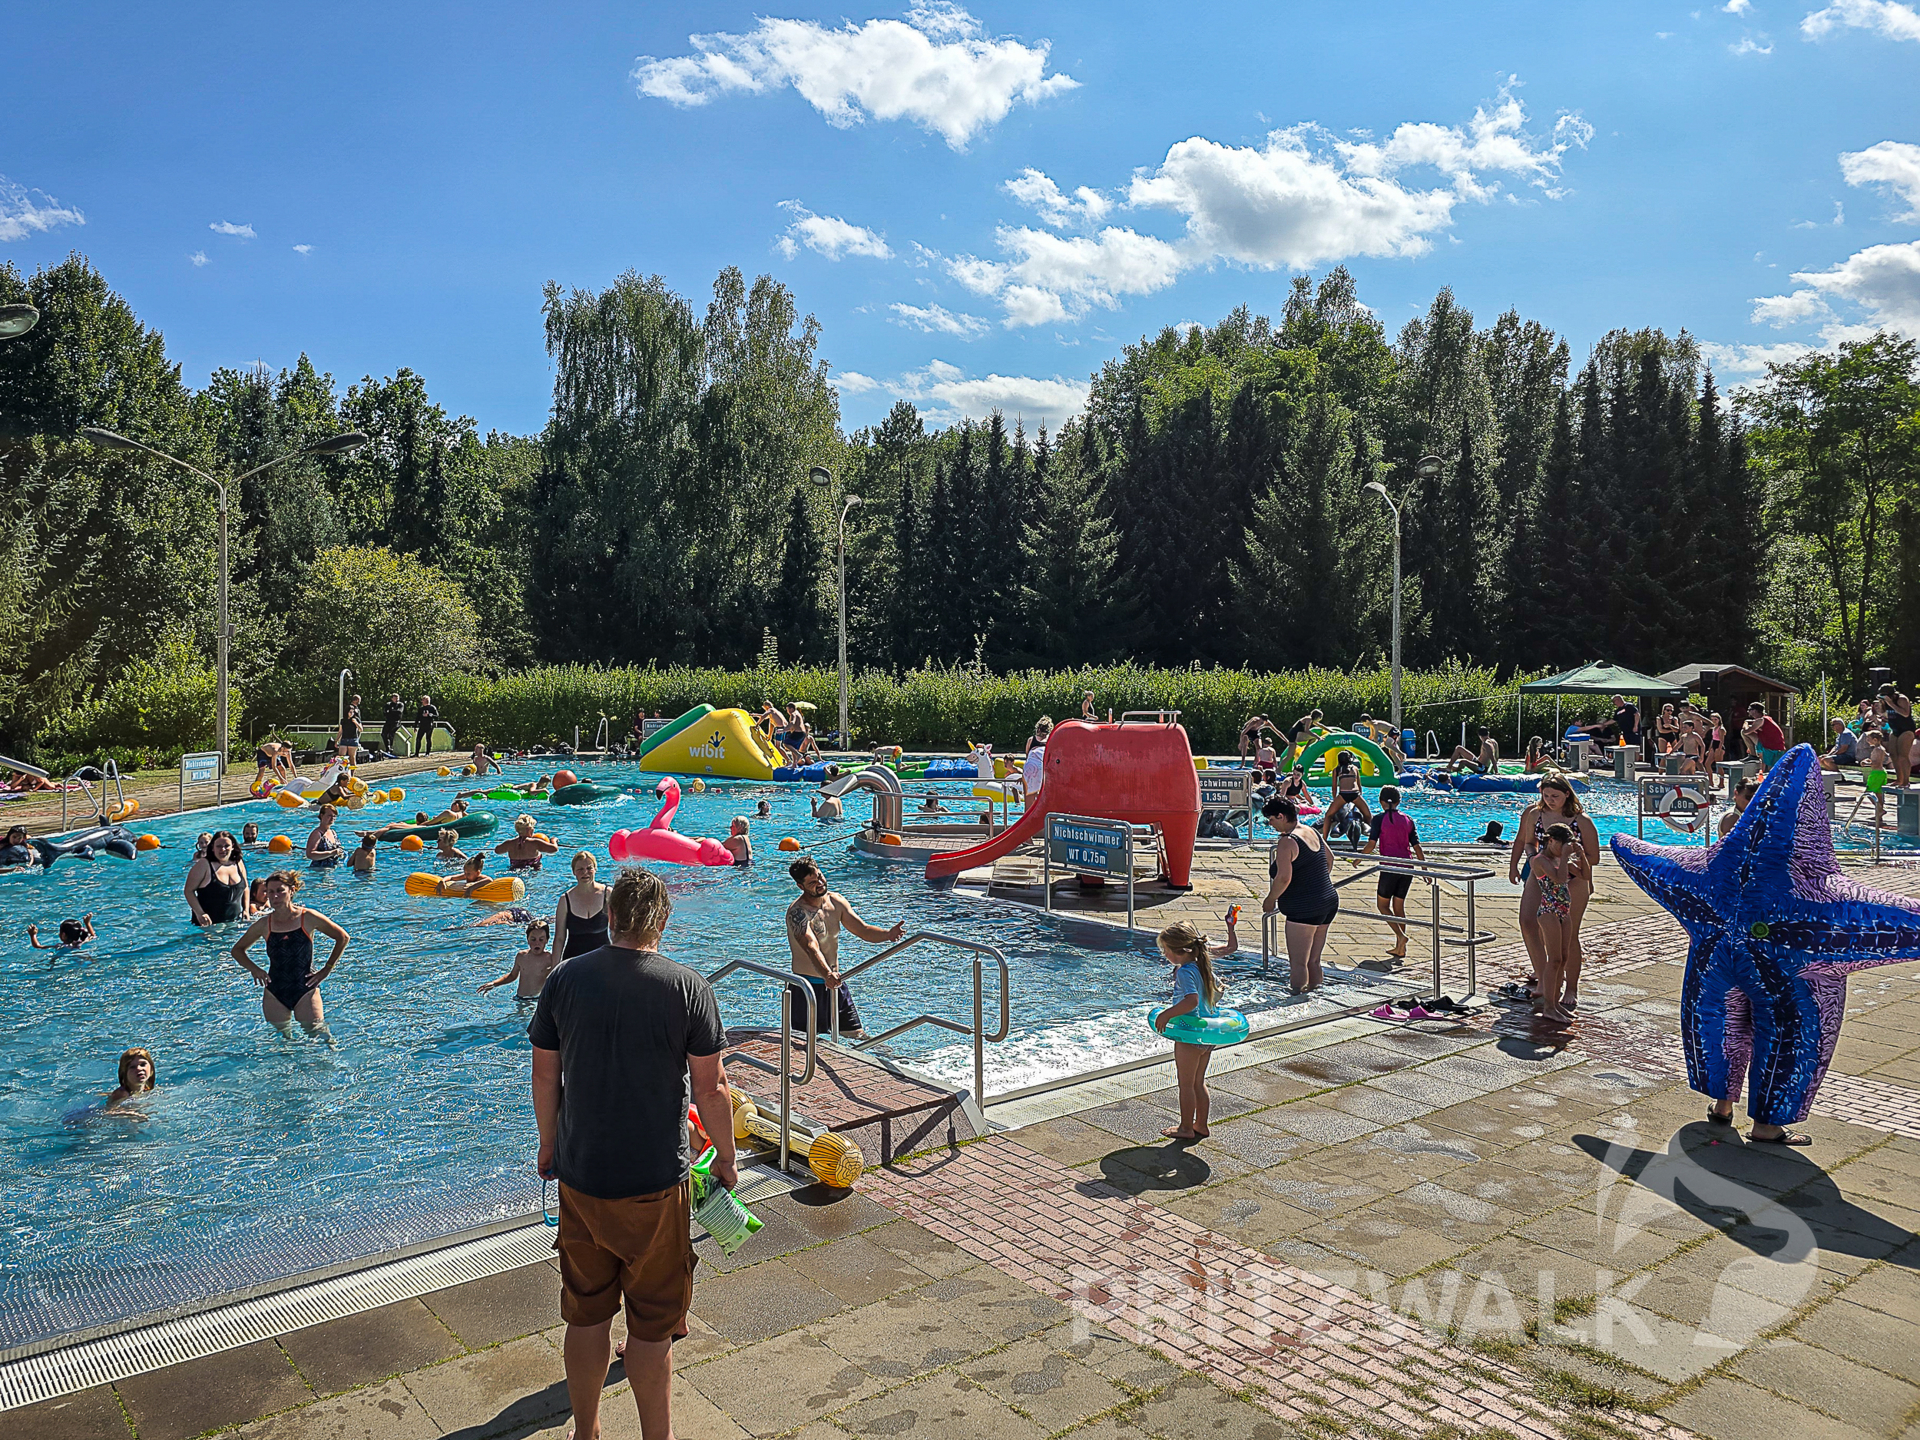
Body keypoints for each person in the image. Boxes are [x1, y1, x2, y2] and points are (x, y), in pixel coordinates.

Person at [529, 867, 736, 1440]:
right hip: (653, 1182)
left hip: (581, 1174)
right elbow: (712, 1090)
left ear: (612, 916)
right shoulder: (686, 987)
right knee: (651, 1324)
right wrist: (725, 1155)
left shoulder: (565, 981)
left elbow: (545, 1075)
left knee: (587, 1312)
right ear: (663, 921)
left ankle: (587, 1433)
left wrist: (550, 1144)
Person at [1508, 773, 1601, 1009]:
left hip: (1573, 878)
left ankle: (1571, 986)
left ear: (1567, 794)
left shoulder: (1582, 821)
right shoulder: (1535, 814)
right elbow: (1528, 841)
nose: (1550, 800)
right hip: (1542, 873)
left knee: (1569, 934)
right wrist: (1528, 860)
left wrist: (1571, 860)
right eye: (1546, 795)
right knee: (1528, 923)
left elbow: (1595, 857)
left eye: (1555, 796)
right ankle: (1544, 978)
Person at [785, 856, 904, 1039]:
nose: (820, 883)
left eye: (820, 877)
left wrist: (887, 934)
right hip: (807, 988)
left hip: (835, 983)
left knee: (858, 1035)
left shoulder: (836, 902)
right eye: (812, 882)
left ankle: (894, 1062)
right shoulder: (798, 913)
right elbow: (811, 947)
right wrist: (826, 975)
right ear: (801, 886)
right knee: (803, 1044)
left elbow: (863, 929)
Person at [1150, 915, 1240, 1141]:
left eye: (1166, 951)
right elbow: (1231, 948)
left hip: (1190, 1036)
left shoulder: (1184, 971)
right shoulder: (1202, 964)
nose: (1165, 955)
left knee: (1186, 1085)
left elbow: (1191, 1001)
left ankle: (1186, 1128)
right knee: (1199, 1082)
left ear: (1179, 951)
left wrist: (1166, 1014)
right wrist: (1230, 927)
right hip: (1206, 1036)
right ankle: (1201, 1125)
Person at [231, 871, 348, 1033]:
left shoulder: (307, 917)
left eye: (280, 890)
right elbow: (237, 950)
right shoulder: (265, 924)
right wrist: (255, 969)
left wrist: (327, 969)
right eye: (270, 892)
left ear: (292, 891)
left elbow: (342, 937)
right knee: (281, 1042)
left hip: (306, 987)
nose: (275, 896)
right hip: (275, 991)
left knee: (319, 1035)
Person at [1262, 796, 1337, 994]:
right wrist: (1314, 882)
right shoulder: (1310, 830)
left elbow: (1283, 878)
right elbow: (1330, 859)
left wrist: (1270, 899)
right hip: (1327, 901)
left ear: (1281, 816)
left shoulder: (1287, 842)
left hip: (1304, 909)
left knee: (1298, 963)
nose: (1270, 824)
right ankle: (1315, 994)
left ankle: (1296, 1000)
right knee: (1314, 960)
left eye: (1271, 820)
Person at [1361, 786, 1425, 960]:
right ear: (1398, 802)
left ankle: (1401, 937)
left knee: (1382, 906)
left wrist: (1358, 858)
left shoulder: (1378, 819)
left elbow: (1371, 844)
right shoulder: (1408, 819)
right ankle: (1400, 947)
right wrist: (1424, 869)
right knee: (1398, 907)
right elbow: (1417, 847)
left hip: (1389, 867)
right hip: (1407, 867)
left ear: (1381, 802)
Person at [1531, 823, 1582, 1024]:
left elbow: (1584, 874)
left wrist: (1581, 855)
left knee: (1563, 958)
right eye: (1562, 844)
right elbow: (1560, 881)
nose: (1564, 849)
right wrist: (1566, 857)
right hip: (1548, 912)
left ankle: (1555, 1003)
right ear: (1551, 840)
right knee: (1553, 960)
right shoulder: (1540, 860)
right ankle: (1548, 1007)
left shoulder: (1558, 860)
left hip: (1563, 911)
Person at [480, 919, 560, 999]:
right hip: (520, 998)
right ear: (528, 940)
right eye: (533, 939)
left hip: (537, 1000)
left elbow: (556, 978)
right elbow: (512, 976)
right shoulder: (521, 956)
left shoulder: (549, 959)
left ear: (547, 940)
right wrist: (494, 983)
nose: (537, 943)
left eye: (541, 940)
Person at [554, 851, 611, 959]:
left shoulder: (607, 894)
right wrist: (554, 970)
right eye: (580, 869)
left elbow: (617, 931)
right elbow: (559, 938)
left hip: (603, 961)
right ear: (574, 872)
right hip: (573, 961)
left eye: (589, 868)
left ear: (595, 869)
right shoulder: (565, 900)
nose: (585, 873)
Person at [185, 830, 249, 925]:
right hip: (208, 926)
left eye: (226, 846)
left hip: (235, 923)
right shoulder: (204, 865)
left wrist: (246, 910)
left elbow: (246, 888)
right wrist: (199, 913)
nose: (222, 849)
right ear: (212, 848)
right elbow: (188, 890)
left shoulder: (238, 863)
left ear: (233, 847)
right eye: (218, 846)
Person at [1880, 683, 1915, 788]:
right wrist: (1882, 703)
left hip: (1906, 730)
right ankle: (1899, 779)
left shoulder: (1902, 699)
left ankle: (1906, 781)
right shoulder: (1886, 701)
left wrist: (1891, 703)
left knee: (1902, 756)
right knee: (1893, 755)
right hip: (1895, 729)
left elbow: (1905, 714)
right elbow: (1883, 713)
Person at [104, 1048, 156, 1112]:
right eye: (132, 1067)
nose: (139, 1069)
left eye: (142, 1064)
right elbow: (109, 1112)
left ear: (151, 1070)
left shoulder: (147, 1089)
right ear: (124, 1073)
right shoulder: (122, 1094)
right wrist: (132, 1114)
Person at [1743, 702, 1786, 774]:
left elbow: (1746, 732)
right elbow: (1753, 722)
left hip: (1771, 746)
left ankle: (1753, 754)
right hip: (1777, 746)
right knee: (1770, 769)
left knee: (1742, 732)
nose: (1748, 712)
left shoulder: (1760, 720)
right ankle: (1753, 753)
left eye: (1749, 710)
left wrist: (1745, 724)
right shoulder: (1766, 719)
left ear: (1754, 711)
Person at [28, 915, 95, 952]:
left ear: (63, 935)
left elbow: (38, 946)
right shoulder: (82, 943)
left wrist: (33, 935)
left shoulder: (60, 947)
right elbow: (93, 935)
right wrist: (87, 923)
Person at [1023, 717, 1052, 800]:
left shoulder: (1031, 740)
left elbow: (1027, 756)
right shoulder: (1050, 740)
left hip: (1030, 767)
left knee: (1029, 796)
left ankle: (1027, 811)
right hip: (1043, 768)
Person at [339, 694, 365, 762]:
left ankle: (351, 770)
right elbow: (340, 730)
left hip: (354, 734)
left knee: (352, 757)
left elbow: (361, 728)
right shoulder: (350, 709)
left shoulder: (356, 712)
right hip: (345, 736)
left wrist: (356, 722)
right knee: (341, 757)